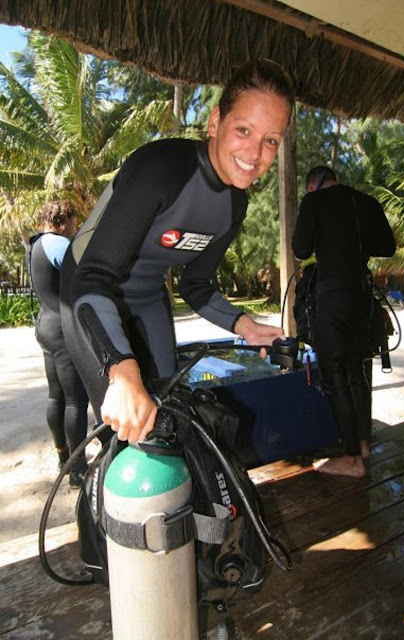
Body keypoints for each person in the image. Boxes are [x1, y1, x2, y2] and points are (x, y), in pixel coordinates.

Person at [60, 58, 295, 445]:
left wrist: (245, 325)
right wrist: (122, 370)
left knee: (171, 419)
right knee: (126, 436)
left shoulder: (235, 205)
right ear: (215, 122)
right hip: (87, 295)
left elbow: (196, 285)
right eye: (243, 130)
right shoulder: (162, 167)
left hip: (148, 297)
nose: (255, 153)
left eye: (270, 140)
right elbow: (94, 276)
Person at [292, 166, 396, 478]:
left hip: (333, 296)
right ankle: (362, 443)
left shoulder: (314, 202)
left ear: (313, 186)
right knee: (356, 370)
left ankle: (352, 459)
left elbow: (300, 250)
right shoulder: (367, 202)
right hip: (362, 297)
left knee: (335, 374)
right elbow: (387, 248)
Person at [29, 201, 89, 487]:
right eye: (74, 222)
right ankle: (78, 470)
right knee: (76, 398)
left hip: (45, 325)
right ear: (63, 220)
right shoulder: (58, 244)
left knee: (57, 396)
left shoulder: (36, 244)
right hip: (62, 329)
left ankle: (63, 457)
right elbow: (83, 275)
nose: (75, 228)